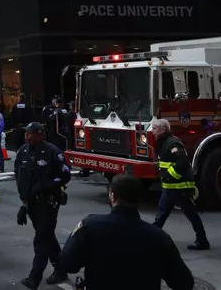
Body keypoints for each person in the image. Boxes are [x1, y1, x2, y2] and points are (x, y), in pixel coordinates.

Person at [60, 175, 194, 290]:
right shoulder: (159, 237)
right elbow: (184, 283)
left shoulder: (89, 227)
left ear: (112, 196)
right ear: (139, 200)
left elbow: (66, 263)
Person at [14, 122, 71, 289]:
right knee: (47, 237)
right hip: (31, 204)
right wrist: (24, 203)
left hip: (48, 203)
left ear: (40, 134)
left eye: (30, 133)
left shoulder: (52, 152)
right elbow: (19, 175)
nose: (27, 136)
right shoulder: (23, 151)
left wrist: (47, 186)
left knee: (40, 240)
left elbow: (65, 175)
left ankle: (34, 277)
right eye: (26, 133)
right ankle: (61, 269)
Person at [150, 119, 209, 250]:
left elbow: (183, 163)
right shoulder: (164, 142)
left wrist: (169, 175)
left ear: (163, 129)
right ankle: (150, 240)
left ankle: (202, 241)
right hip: (170, 187)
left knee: (190, 214)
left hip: (179, 187)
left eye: (154, 128)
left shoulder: (172, 143)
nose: (152, 131)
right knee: (161, 215)